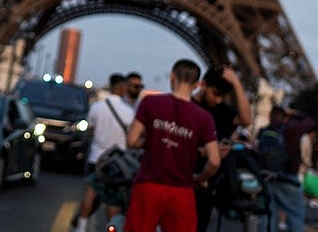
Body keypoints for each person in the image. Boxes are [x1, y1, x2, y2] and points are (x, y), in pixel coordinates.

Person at [125, 58, 220, 232]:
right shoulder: (204, 118)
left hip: (148, 186)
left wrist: (152, 141)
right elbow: (214, 161)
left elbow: (131, 141)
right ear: (197, 84)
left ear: (172, 76)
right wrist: (200, 180)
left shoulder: (150, 102)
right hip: (182, 192)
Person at [192, 65, 253, 232]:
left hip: (207, 185)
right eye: (216, 93)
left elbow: (246, 119)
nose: (218, 100)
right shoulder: (188, 106)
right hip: (186, 179)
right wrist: (207, 151)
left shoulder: (222, 111)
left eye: (222, 96)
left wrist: (237, 84)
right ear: (203, 85)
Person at [74, 73, 135, 232]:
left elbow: (91, 130)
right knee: (113, 200)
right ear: (122, 88)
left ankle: (81, 226)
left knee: (90, 192)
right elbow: (132, 138)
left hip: (96, 157)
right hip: (117, 163)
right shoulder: (129, 112)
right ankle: (111, 228)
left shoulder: (96, 107)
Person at [257, 106, 316, 232]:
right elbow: (310, 122)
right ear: (285, 118)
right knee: (295, 215)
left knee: (268, 215)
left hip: (267, 178)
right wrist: (295, 112)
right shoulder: (291, 130)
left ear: (270, 116)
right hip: (288, 178)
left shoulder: (263, 131)